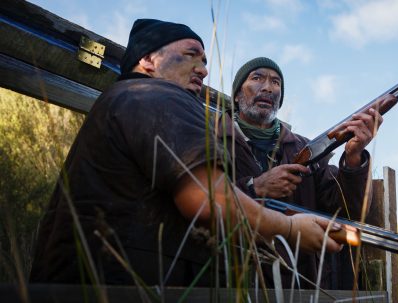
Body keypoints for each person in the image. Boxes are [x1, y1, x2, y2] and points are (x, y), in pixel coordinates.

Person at [29, 20, 343, 286]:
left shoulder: (123, 99)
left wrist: (353, 156)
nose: (203, 70)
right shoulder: (157, 95)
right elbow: (211, 200)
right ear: (149, 61)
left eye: (205, 60)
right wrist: (290, 228)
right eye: (190, 55)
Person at [220, 57, 397, 289]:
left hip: (299, 282)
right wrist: (254, 186)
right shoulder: (210, 139)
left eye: (276, 82)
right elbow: (201, 196)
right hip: (229, 279)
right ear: (236, 94)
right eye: (257, 78)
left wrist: (354, 157)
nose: (267, 87)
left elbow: (347, 212)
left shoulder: (305, 148)